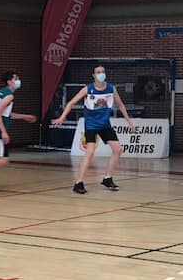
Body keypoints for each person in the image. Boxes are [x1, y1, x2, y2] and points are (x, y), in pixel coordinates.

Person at [52, 65, 134, 194]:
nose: (101, 74)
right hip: (91, 125)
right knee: (90, 152)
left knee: (118, 149)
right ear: (93, 75)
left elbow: (120, 104)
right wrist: (62, 117)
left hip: (105, 124)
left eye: (103, 71)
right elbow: (71, 102)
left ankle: (108, 178)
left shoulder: (111, 88)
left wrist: (129, 121)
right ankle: (78, 183)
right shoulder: (88, 89)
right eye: (98, 72)